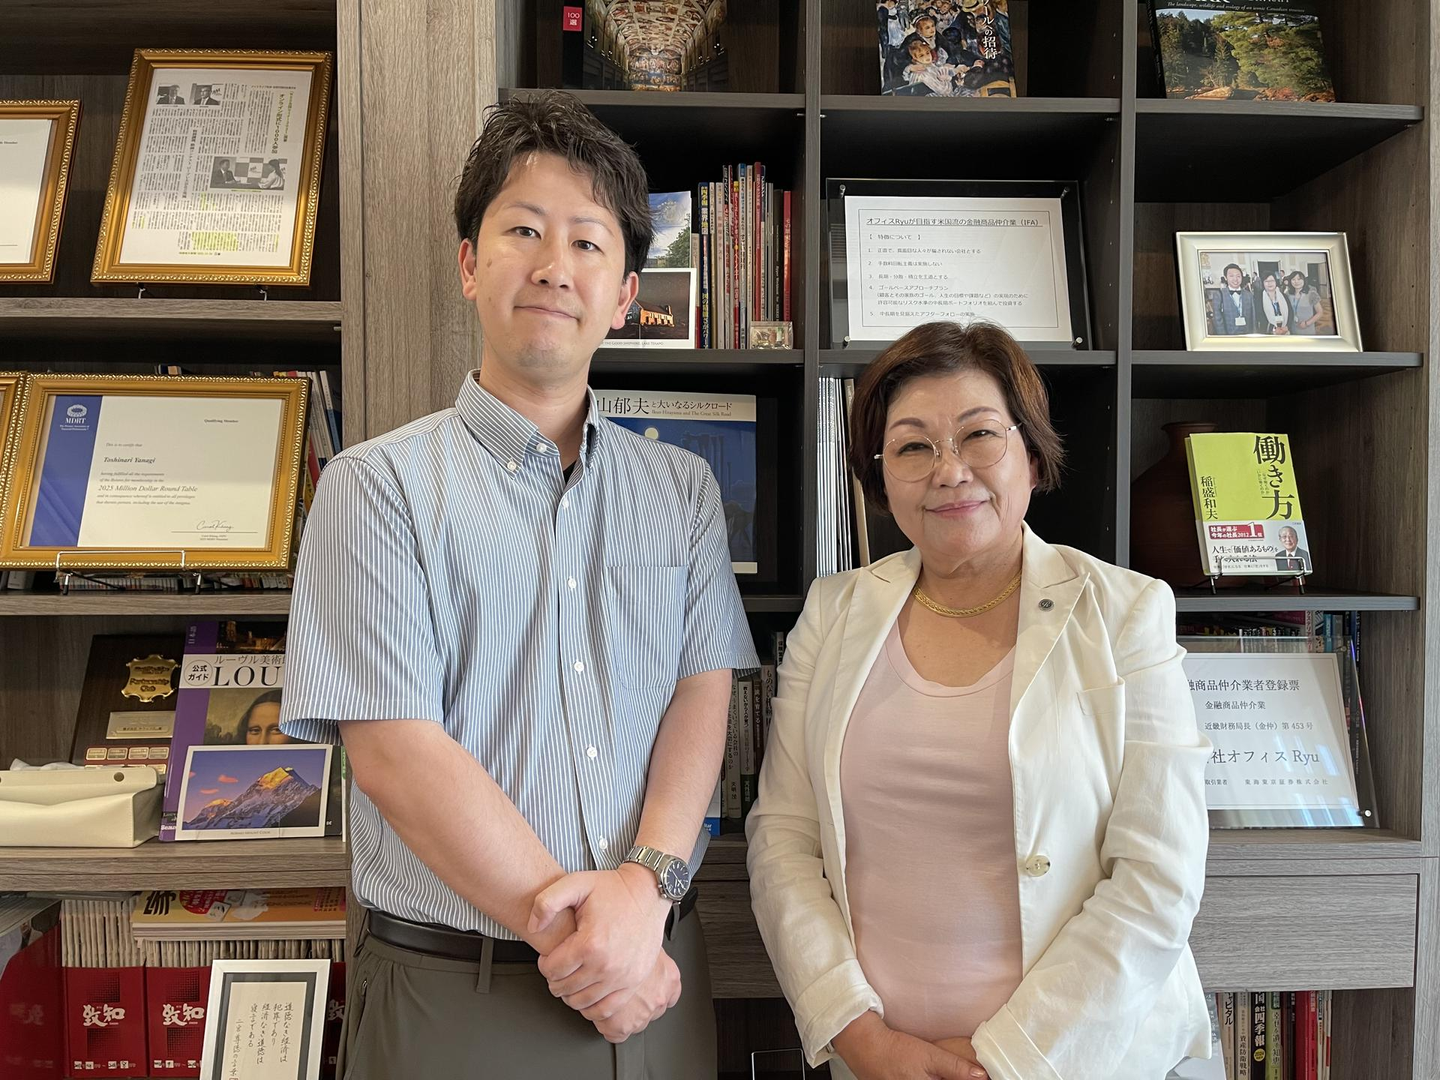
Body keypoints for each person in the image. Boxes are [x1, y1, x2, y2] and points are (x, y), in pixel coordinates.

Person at [278, 90, 756, 1078]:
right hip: (461, 992)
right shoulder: (375, 488)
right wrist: (588, 939)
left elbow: (700, 696)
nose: (553, 266)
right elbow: (396, 754)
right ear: (469, 264)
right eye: (524, 230)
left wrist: (643, 891)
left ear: (624, 295)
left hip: (658, 969)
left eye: (588, 243)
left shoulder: (682, 490)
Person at [746, 321, 1212, 1080]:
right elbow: (783, 838)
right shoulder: (833, 613)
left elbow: (1159, 874)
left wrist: (1008, 1057)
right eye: (913, 446)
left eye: (979, 435)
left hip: (1076, 1060)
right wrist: (858, 1035)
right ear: (881, 477)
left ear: (1032, 455)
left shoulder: (1125, 612)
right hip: (877, 1061)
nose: (949, 471)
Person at [1215, 262, 1255, 335]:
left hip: (1247, 335)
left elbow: (1253, 318)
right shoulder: (1219, 295)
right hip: (1229, 336)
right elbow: (1218, 321)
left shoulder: (1249, 295)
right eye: (1231, 276)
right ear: (1225, 278)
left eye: (1238, 276)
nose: (1235, 279)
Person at [1285, 270, 1323, 335]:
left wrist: (1307, 323)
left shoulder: (1311, 294)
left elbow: (1320, 312)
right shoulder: (1288, 294)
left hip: (1307, 328)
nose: (1296, 282)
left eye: (1299, 279)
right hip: (1292, 328)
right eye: (1293, 279)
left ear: (1304, 280)